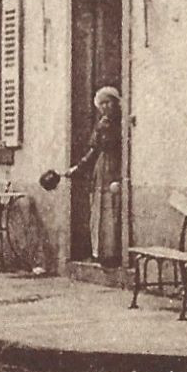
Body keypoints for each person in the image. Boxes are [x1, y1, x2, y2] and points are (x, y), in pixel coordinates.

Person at [65, 86, 123, 266]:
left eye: (109, 102)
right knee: (100, 209)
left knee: (112, 210)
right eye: (102, 103)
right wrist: (78, 167)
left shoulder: (120, 124)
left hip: (115, 167)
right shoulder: (101, 125)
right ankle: (101, 253)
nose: (106, 107)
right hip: (102, 169)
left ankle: (113, 253)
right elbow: (94, 150)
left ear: (116, 103)